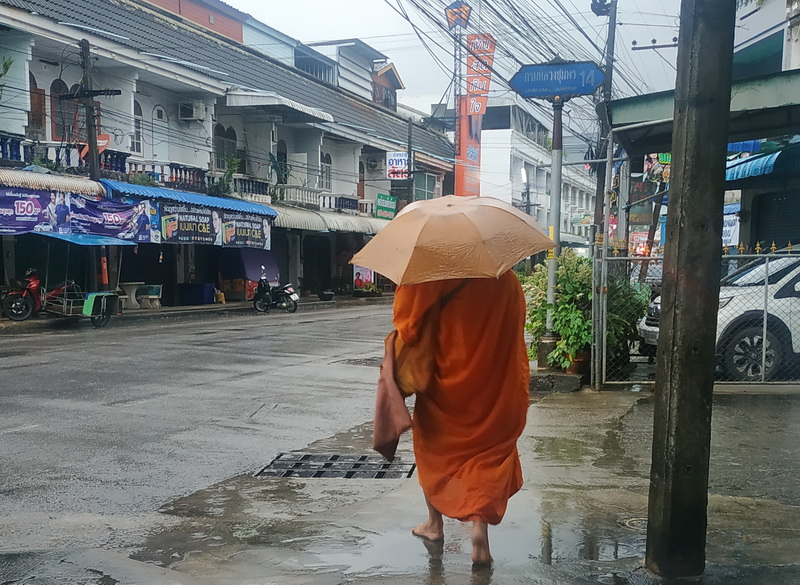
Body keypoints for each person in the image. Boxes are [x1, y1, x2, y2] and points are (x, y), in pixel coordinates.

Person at [391, 271, 529, 565]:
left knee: (433, 451)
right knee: (487, 456)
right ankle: (480, 532)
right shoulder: (507, 280)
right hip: (497, 387)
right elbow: (517, 328)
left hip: (445, 386)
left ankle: (434, 524)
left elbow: (406, 325)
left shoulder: (430, 276)